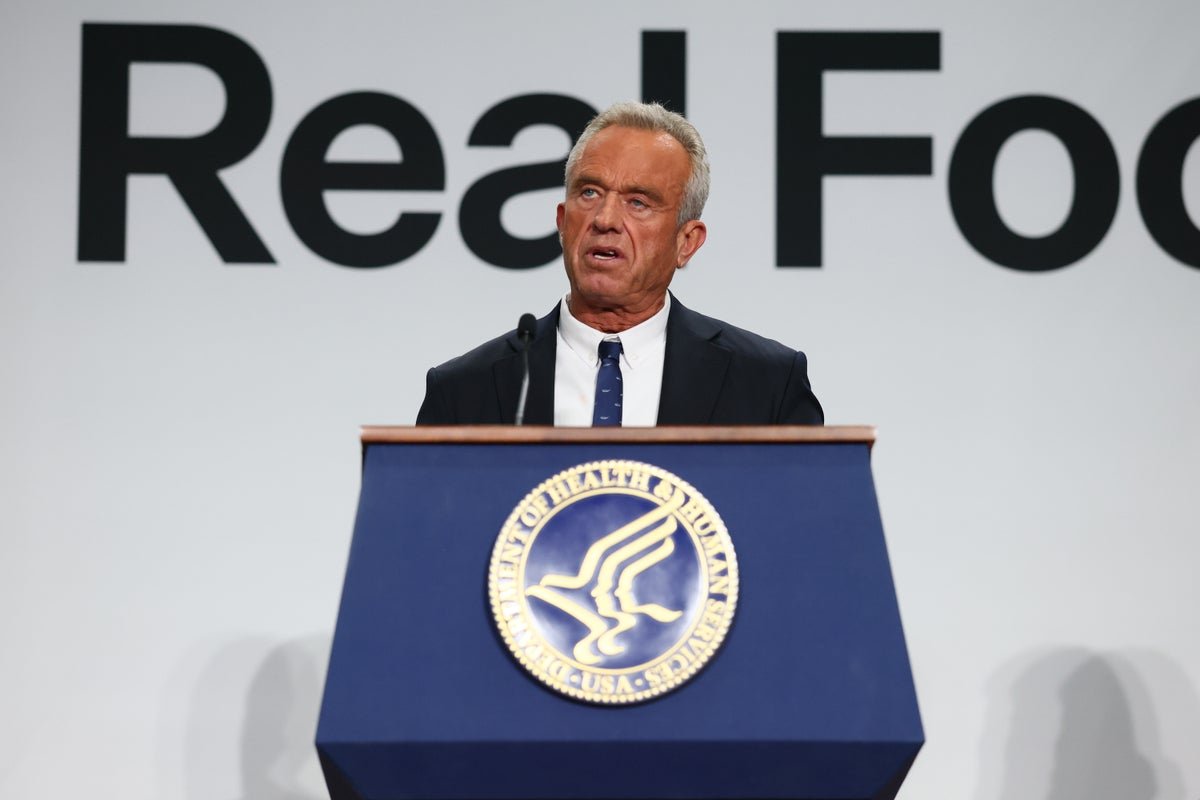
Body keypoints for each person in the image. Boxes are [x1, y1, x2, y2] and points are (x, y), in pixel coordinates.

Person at [416, 101, 823, 426]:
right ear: (562, 221)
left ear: (687, 242)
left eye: (638, 202)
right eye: (589, 193)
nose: (605, 219)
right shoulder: (463, 392)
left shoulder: (767, 385)